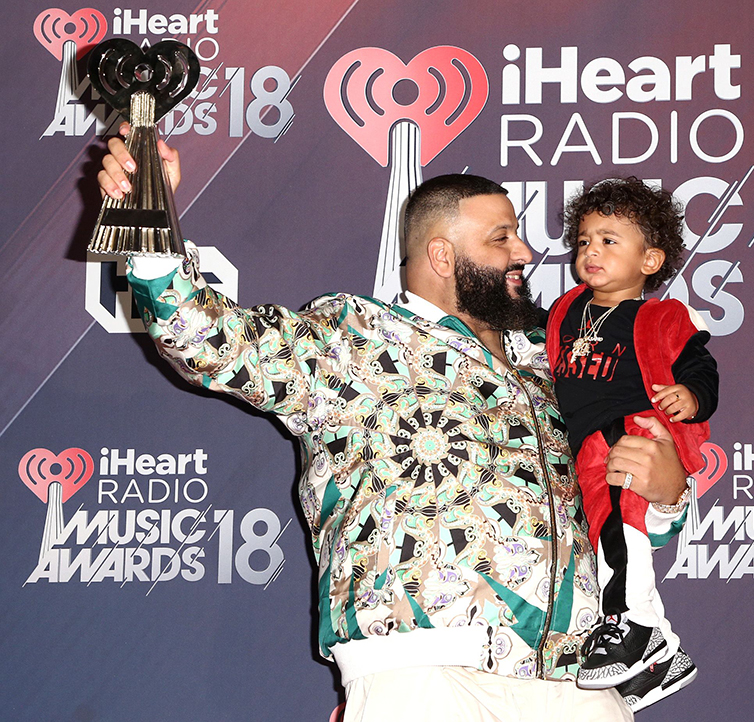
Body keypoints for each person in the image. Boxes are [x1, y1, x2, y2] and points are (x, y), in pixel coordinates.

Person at [96, 131, 693, 721]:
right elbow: (208, 338)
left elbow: (616, 513)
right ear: (441, 255)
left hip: (578, 680)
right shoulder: (357, 338)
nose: (525, 255)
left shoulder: (559, 354)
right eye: (501, 239)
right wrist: (149, 220)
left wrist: (665, 498)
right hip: (424, 670)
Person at [546, 177, 718, 712]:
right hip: (585, 446)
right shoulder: (566, 310)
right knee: (608, 535)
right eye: (583, 241)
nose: (591, 251)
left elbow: (700, 364)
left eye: (609, 240)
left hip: (634, 430)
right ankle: (664, 654)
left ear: (650, 260)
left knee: (622, 524)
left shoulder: (660, 317)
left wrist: (691, 396)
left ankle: (632, 625)